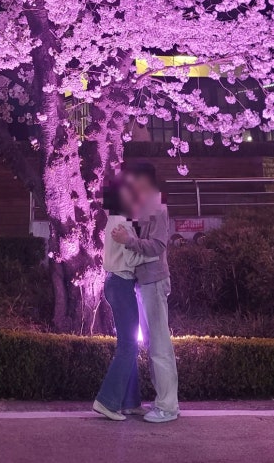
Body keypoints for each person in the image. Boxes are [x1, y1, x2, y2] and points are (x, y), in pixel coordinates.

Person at [112, 162, 179, 423]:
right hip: (144, 282)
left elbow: (158, 246)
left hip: (154, 280)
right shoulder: (143, 207)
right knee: (153, 342)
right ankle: (164, 401)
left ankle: (168, 406)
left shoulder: (157, 207)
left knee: (159, 344)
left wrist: (128, 241)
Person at [93, 178, 158, 422]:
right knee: (129, 345)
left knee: (129, 343)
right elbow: (131, 259)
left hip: (116, 282)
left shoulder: (113, 220)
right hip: (121, 283)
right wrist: (155, 255)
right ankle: (107, 401)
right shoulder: (123, 222)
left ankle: (130, 402)